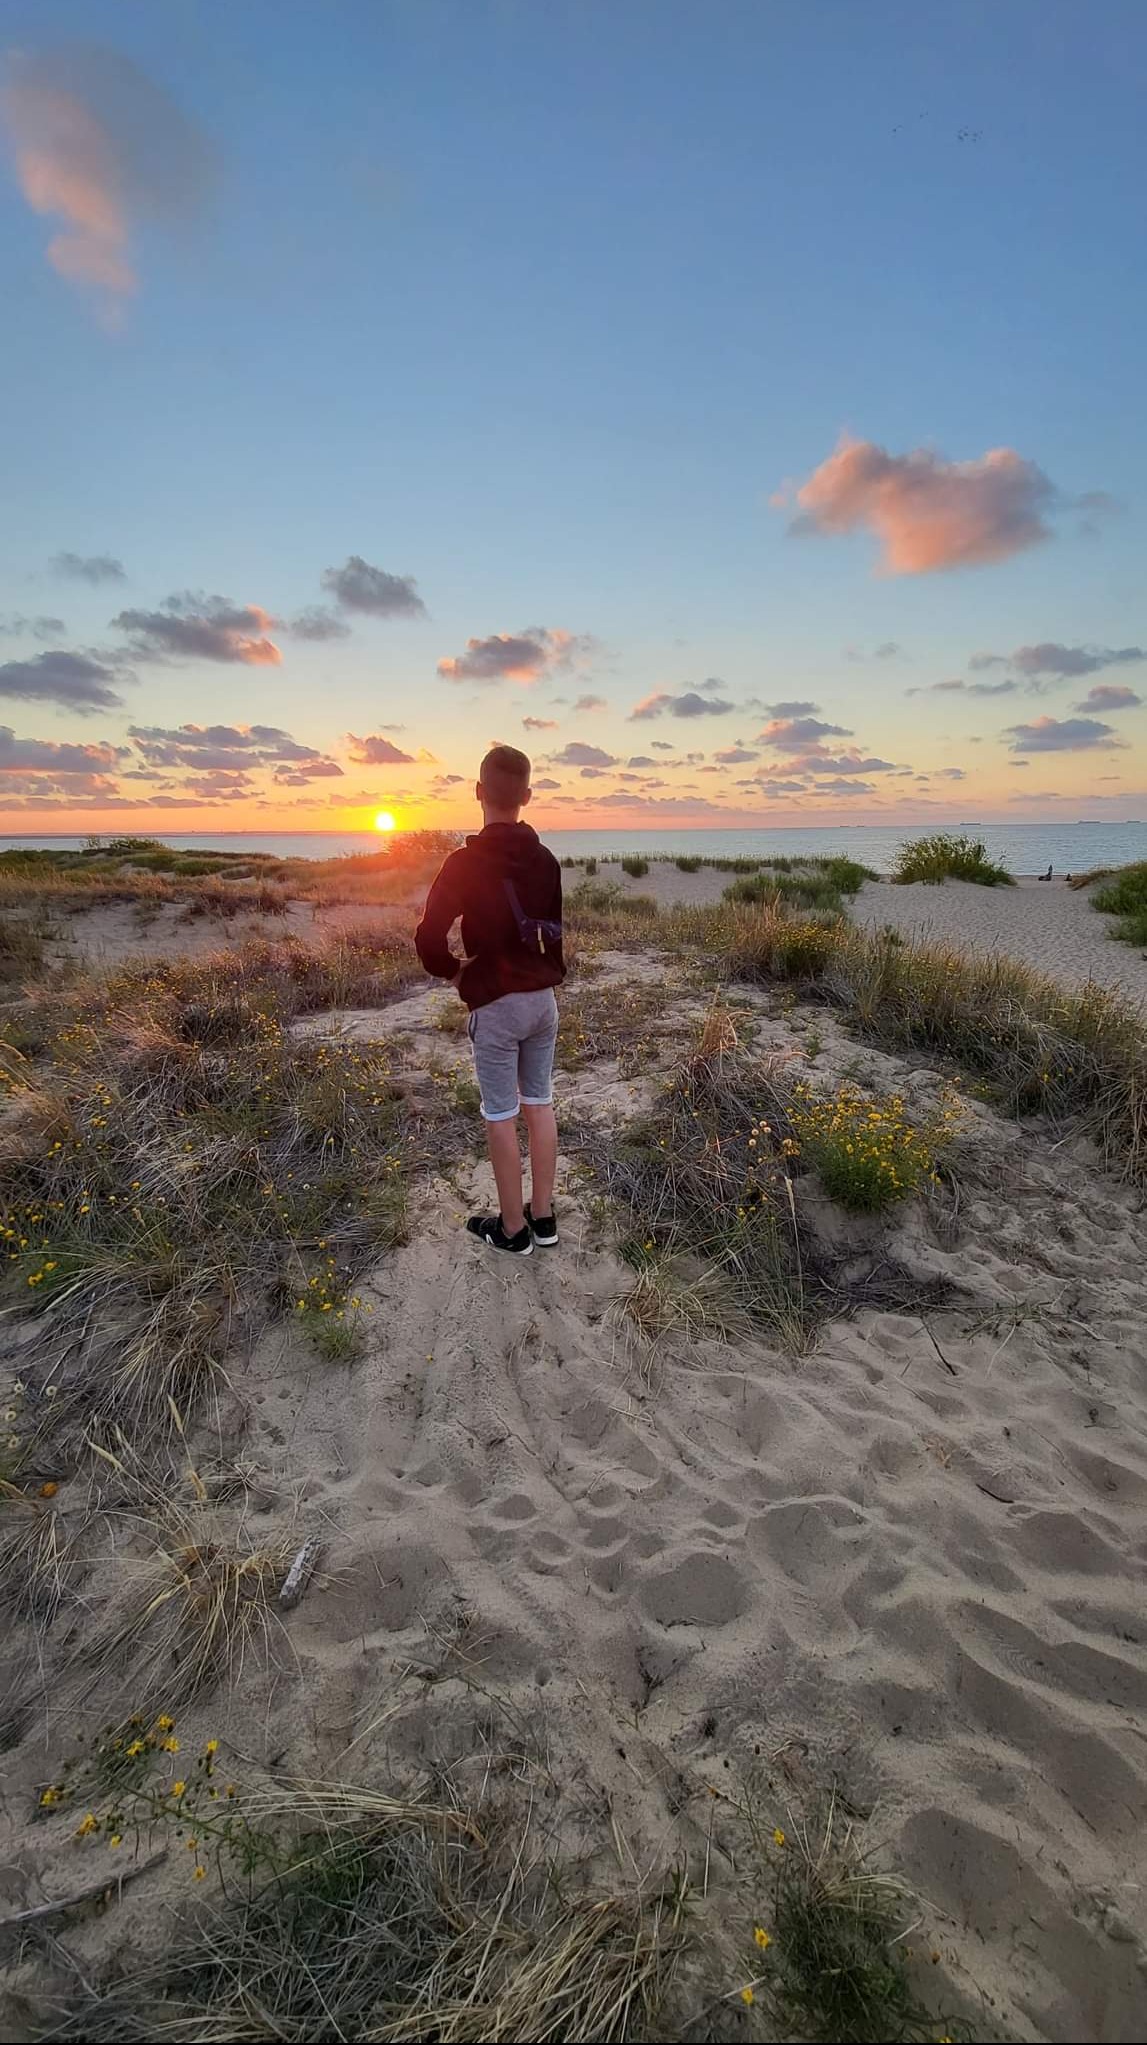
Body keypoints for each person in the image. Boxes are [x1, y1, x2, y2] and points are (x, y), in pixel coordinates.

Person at [415, 745, 564, 1257]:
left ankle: (513, 1230)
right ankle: (545, 1220)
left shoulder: (463, 863)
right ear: (526, 796)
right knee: (539, 1105)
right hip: (543, 1001)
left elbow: (430, 935)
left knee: (500, 1114)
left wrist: (455, 972)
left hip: (497, 1007)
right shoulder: (545, 860)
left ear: (479, 792)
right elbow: (553, 936)